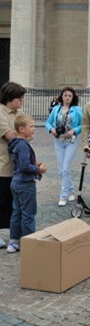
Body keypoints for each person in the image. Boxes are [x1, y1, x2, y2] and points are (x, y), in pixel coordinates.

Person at [7, 114, 47, 253]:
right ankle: (29, 242)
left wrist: (33, 163)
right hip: (25, 184)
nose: (34, 129)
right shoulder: (23, 145)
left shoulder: (16, 143)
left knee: (16, 212)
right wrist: (38, 169)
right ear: (22, 129)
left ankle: (14, 242)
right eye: (31, 126)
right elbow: (24, 166)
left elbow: (20, 162)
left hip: (16, 182)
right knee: (28, 214)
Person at [45, 86, 82, 206]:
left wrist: (74, 131)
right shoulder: (56, 109)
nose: (67, 97)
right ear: (62, 96)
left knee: (66, 167)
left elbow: (83, 125)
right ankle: (70, 190)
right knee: (61, 169)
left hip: (71, 141)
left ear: (73, 97)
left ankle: (63, 194)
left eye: (69, 95)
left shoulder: (77, 110)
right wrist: (51, 130)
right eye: (65, 95)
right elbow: (48, 123)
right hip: (59, 141)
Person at [0, 82, 26, 249]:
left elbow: (27, 131)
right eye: (19, 99)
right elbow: (11, 135)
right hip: (2, 165)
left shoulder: (20, 113)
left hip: (18, 167)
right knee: (0, 201)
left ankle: (14, 236)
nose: (22, 102)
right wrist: (23, 133)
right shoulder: (0, 113)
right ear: (10, 98)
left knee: (15, 204)